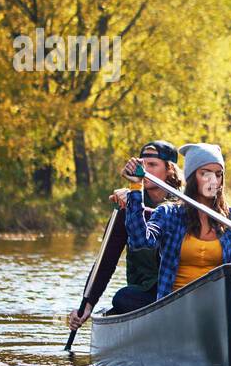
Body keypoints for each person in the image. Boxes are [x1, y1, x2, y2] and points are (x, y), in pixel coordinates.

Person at [121, 142, 231, 299]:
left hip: (222, 304)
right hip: (175, 306)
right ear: (192, 178)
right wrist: (136, 188)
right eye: (205, 174)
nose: (213, 181)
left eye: (218, 174)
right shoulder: (169, 214)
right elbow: (139, 241)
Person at [67, 139, 183, 330]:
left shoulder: (186, 207)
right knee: (123, 298)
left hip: (181, 290)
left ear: (169, 170)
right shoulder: (126, 207)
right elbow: (107, 260)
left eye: (152, 165)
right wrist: (87, 304)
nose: (144, 171)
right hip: (146, 294)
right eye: (142, 165)